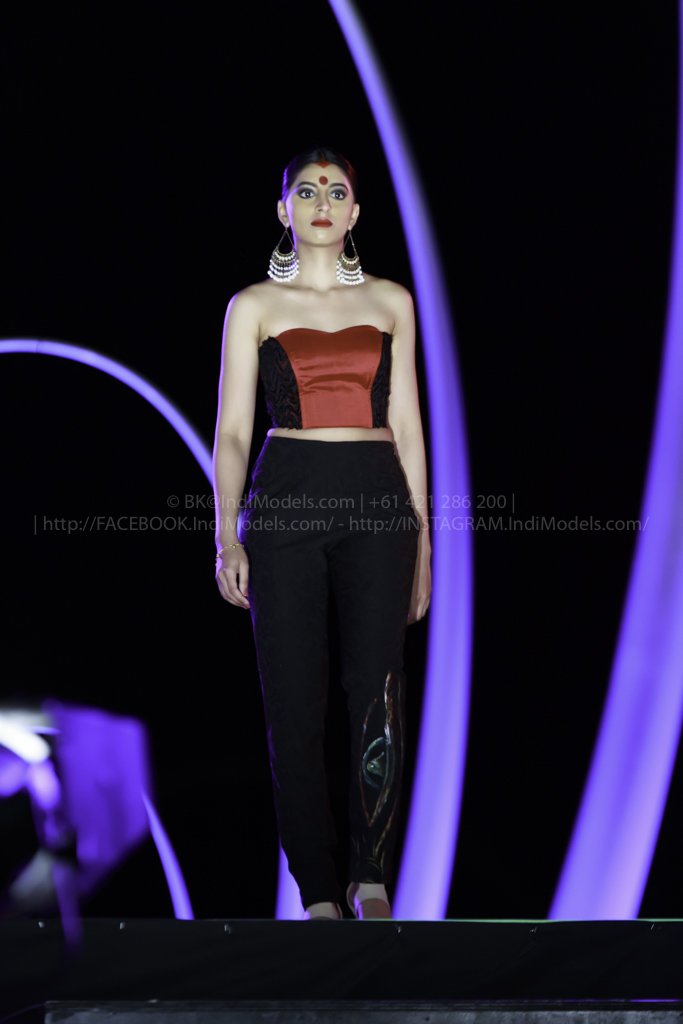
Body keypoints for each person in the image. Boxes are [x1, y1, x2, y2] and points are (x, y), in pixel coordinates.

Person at [212, 146, 431, 921]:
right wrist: (225, 536)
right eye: (306, 192)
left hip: (377, 499)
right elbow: (232, 432)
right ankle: (315, 891)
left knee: (377, 690)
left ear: (355, 213)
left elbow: (408, 424)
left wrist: (424, 545)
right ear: (284, 210)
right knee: (292, 700)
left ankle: (370, 877)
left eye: (336, 192)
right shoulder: (253, 306)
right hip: (285, 501)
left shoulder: (391, 301)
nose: (321, 203)